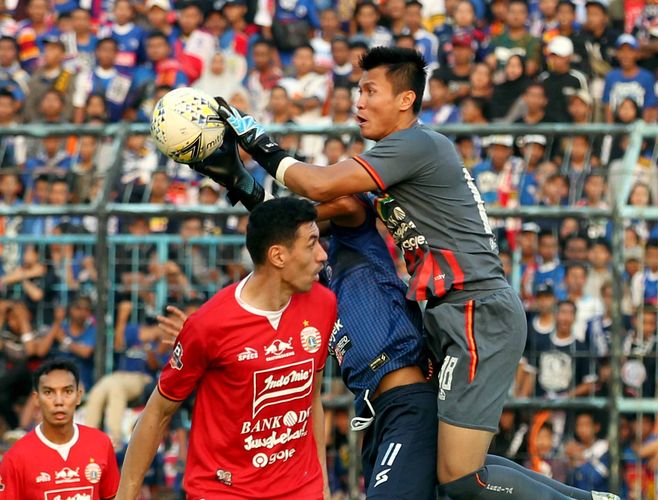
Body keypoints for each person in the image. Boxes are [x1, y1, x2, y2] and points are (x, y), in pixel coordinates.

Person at [192, 46, 618, 499]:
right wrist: (241, 184)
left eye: (369, 90)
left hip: (474, 307)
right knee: (454, 469)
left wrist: (257, 139)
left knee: (459, 479)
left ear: (405, 100)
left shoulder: (416, 144)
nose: (358, 102)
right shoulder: (394, 163)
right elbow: (313, 213)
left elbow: (317, 184)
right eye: (357, 90)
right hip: (452, 314)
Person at [159, 192, 440, 499]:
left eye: (316, 238)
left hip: (408, 402)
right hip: (376, 416)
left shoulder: (356, 242)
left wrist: (298, 214)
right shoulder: (314, 294)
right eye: (310, 242)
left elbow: (347, 204)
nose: (319, 252)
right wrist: (203, 341)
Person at [115, 198, 336, 499]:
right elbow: (158, 412)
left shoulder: (323, 304)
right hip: (224, 490)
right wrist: (125, 495)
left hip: (300, 489)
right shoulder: (209, 325)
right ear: (278, 256)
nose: (323, 255)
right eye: (311, 244)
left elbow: (312, 398)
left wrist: (321, 483)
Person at [0, 359, 120, 499]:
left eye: (67, 391)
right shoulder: (15, 458)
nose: (59, 401)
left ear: (78, 396)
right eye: (49, 392)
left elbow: (112, 496)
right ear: (37, 399)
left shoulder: (101, 443)